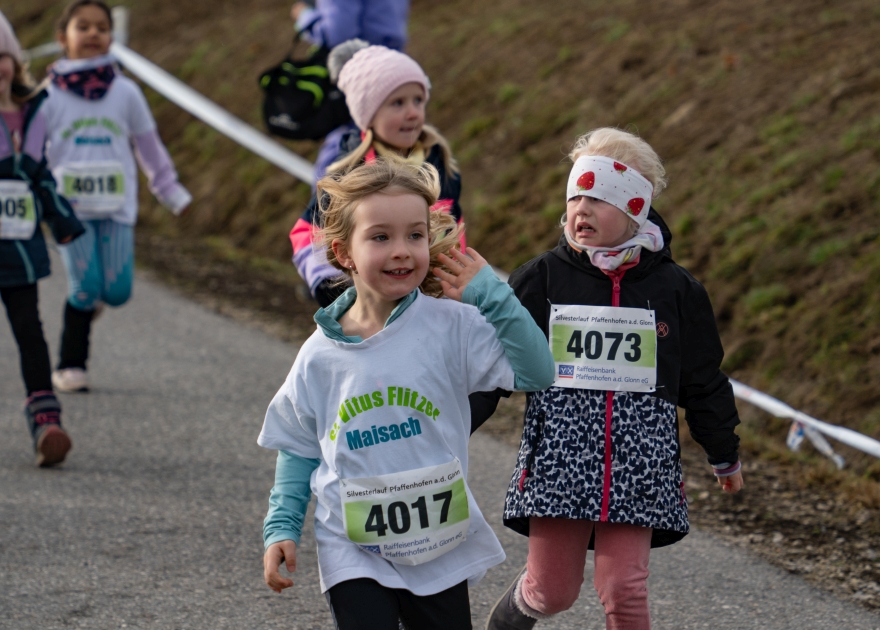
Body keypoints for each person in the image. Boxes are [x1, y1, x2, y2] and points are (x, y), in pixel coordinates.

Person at [258, 159, 554, 629]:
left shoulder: (453, 324)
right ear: (344, 252)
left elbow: (538, 373)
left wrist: (494, 298)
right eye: (380, 237)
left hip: (436, 541)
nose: (402, 251)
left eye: (415, 235)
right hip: (352, 546)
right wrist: (282, 527)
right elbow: (298, 444)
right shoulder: (318, 355)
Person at [484, 128, 745, 630]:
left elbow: (702, 378)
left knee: (624, 590)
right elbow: (491, 365)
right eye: (575, 195)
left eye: (598, 198)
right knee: (552, 591)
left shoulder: (677, 290)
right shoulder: (541, 279)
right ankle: (514, 614)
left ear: (635, 209)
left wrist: (723, 451)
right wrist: (450, 425)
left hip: (640, 464)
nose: (581, 208)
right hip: (561, 457)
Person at [41, 0, 191, 392]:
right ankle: (70, 365)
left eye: (101, 28)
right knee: (85, 288)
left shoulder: (125, 92)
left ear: (111, 37)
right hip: (68, 208)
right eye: (83, 27)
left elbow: (148, 145)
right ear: (62, 38)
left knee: (118, 291)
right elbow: (33, 152)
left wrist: (168, 189)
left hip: (116, 207)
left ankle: (90, 302)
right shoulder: (47, 96)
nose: (93, 34)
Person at [289, 40, 462, 308]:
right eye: (397, 103)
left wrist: (456, 287)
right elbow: (306, 233)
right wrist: (332, 287)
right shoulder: (348, 174)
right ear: (367, 115)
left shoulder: (440, 165)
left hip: (433, 305)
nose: (413, 113)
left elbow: (453, 235)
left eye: (418, 100)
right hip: (370, 306)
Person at [0, 11, 85, 466]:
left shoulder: (33, 111)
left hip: (19, 251)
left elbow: (42, 180)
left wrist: (63, 221)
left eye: (2, 56)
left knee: (30, 332)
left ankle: (45, 421)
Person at [289, 0, 411, 182]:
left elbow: (337, 34)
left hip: (361, 75)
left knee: (340, 163)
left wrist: (305, 16)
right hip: (392, 69)